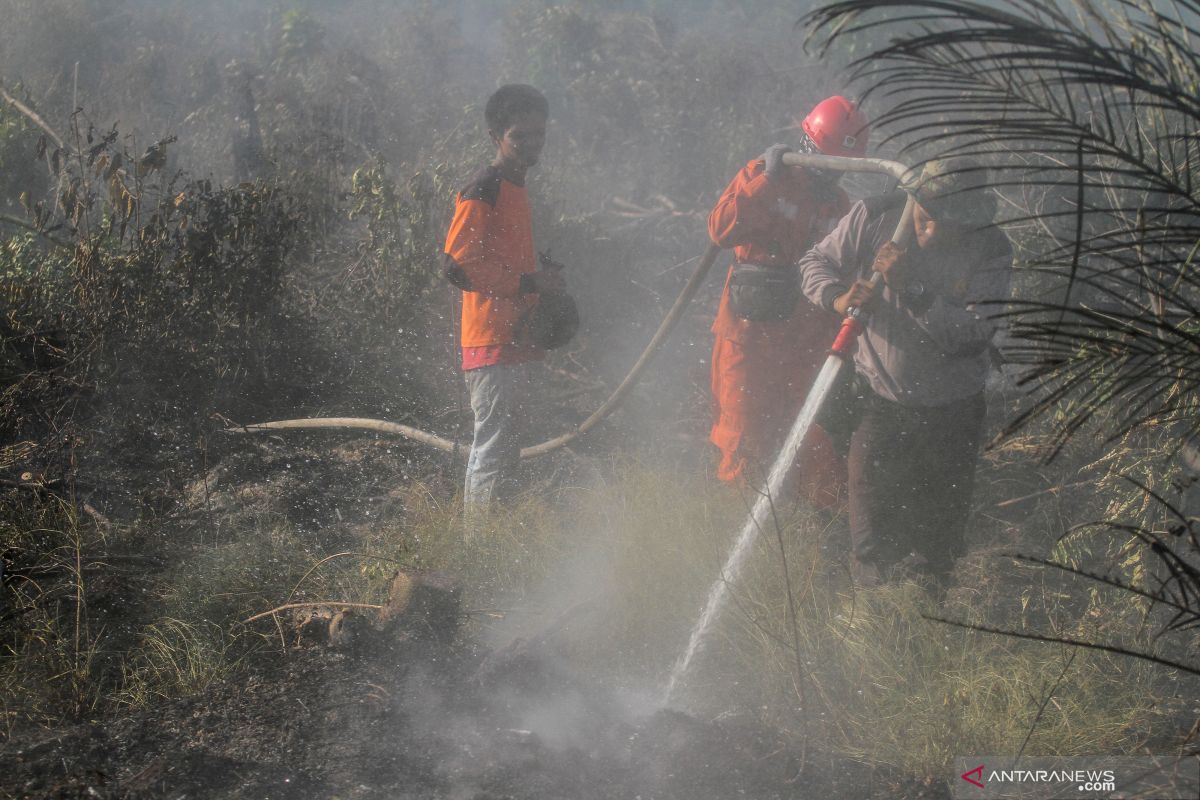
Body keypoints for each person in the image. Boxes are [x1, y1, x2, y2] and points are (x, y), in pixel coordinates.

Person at [798, 158, 1013, 586]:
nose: (931, 234)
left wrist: (913, 288)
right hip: (880, 405)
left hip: (952, 415)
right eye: (926, 218)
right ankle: (871, 632)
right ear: (914, 201)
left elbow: (973, 335)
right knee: (873, 542)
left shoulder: (991, 248)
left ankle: (924, 629)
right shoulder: (876, 215)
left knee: (936, 547)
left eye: (948, 225)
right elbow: (813, 263)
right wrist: (839, 299)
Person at [708, 95, 870, 508]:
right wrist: (765, 181)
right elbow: (721, 230)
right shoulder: (764, 177)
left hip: (808, 348)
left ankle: (817, 543)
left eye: (838, 168)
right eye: (824, 161)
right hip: (750, 344)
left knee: (816, 445)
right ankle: (742, 537)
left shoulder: (841, 206)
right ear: (807, 145)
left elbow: (845, 274)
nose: (827, 176)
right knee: (745, 446)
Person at [442, 84, 564, 511]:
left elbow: (500, 260)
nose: (532, 144)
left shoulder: (515, 187)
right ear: (496, 136)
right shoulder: (485, 187)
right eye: (520, 136)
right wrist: (529, 284)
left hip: (517, 337)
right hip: (492, 340)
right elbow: (458, 265)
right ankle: (478, 548)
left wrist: (540, 282)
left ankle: (497, 536)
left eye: (539, 134)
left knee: (507, 446)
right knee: (493, 447)